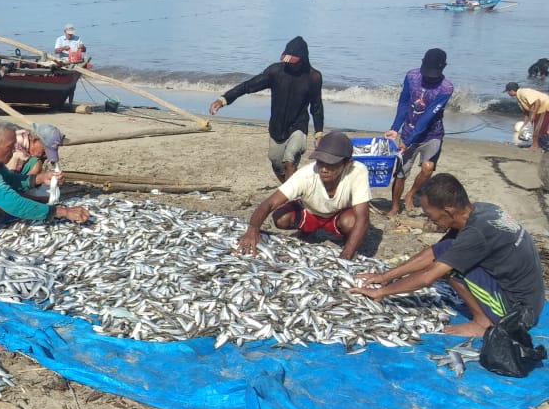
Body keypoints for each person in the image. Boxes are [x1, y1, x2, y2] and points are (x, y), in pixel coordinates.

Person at [349, 173, 544, 337]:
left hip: (517, 311)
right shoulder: (482, 210)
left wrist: (381, 292)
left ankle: (482, 322)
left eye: (428, 213)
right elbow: (436, 250)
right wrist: (385, 277)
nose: (428, 218)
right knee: (448, 250)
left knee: (452, 269)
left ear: (448, 210)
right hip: (529, 298)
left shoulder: (476, 234)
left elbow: (428, 276)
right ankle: (485, 314)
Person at [237, 131, 371, 260]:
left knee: (351, 222)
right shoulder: (306, 175)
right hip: (311, 212)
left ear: (347, 164)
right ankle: (308, 229)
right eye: (320, 161)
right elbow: (269, 203)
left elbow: (363, 217)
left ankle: (348, 243)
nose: (324, 169)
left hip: (338, 215)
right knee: (280, 218)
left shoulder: (357, 172)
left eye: (331, 164)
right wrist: (253, 229)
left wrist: (346, 255)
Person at [208, 36, 324, 182]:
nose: (289, 65)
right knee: (276, 163)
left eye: (293, 62)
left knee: (290, 158)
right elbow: (248, 86)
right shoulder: (275, 71)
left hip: (298, 125)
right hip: (277, 126)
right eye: (287, 61)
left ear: (303, 59)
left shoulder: (313, 77)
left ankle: (291, 198)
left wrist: (318, 133)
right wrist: (224, 99)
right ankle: (290, 190)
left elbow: (316, 106)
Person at [384, 48, 454, 217]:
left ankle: (411, 194)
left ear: (443, 67)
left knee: (428, 168)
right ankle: (394, 206)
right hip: (408, 130)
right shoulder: (411, 76)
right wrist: (395, 127)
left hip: (432, 134)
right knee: (401, 172)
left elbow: (427, 117)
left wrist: (408, 142)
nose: (430, 76)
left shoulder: (446, 88)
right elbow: (404, 102)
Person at [6, 123, 63, 200]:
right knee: (36, 163)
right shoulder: (18, 151)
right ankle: (24, 192)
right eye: (44, 152)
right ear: (35, 141)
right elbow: (8, 181)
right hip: (3, 181)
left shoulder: (27, 137)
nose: (46, 156)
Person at [505, 81, 549, 151]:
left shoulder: (524, 92)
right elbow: (526, 113)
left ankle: (535, 145)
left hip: (545, 106)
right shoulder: (519, 97)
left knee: (539, 128)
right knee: (537, 128)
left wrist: (533, 114)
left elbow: (537, 102)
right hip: (540, 109)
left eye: (508, 91)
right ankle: (536, 144)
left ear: (512, 90)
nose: (507, 93)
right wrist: (525, 124)